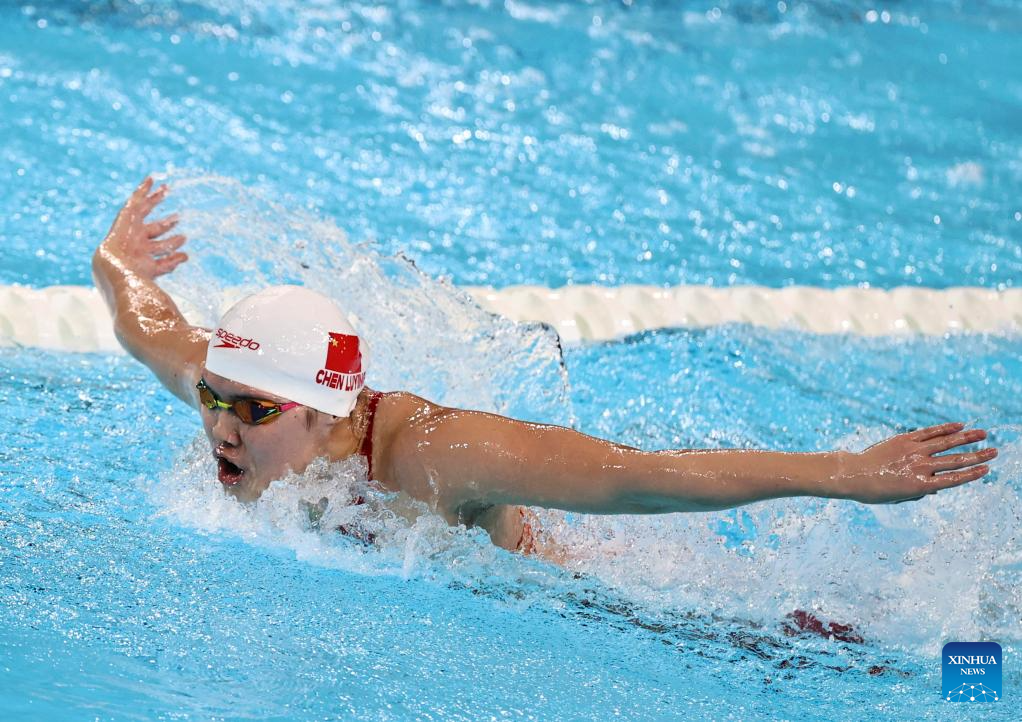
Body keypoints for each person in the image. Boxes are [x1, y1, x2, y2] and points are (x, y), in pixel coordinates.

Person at [92, 177, 999, 557]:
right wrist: (120, 263)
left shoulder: (431, 454)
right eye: (214, 398)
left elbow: (639, 478)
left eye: (247, 412)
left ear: (324, 415)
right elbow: (150, 328)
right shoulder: (243, 400)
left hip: (597, 601)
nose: (216, 425)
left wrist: (846, 473)